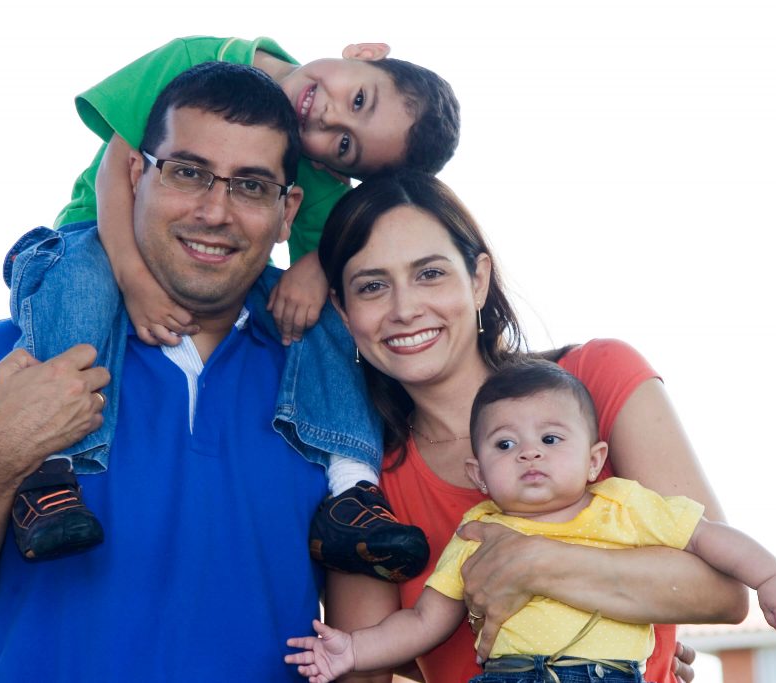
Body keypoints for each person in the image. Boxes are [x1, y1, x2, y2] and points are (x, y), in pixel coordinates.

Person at [0, 62, 373, 681]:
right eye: (187, 172)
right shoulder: (15, 355)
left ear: (288, 210)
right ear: (135, 175)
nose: (215, 211)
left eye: (251, 185)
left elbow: (364, 650)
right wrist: (8, 449)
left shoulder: (328, 381)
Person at [8, 36, 459, 566]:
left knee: (323, 315)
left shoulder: (313, 173)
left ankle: (352, 487)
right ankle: (49, 473)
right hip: (94, 234)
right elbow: (118, 170)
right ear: (365, 52)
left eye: (343, 146)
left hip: (212, 277)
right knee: (80, 278)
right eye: (358, 99)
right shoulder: (195, 58)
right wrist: (134, 280)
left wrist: (316, 267)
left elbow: (352, 246)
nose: (330, 117)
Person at [314, 170, 752, 683]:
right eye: (372, 286)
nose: (405, 309)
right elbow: (363, 667)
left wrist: (535, 564)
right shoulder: (366, 484)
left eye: (430, 273)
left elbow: (725, 589)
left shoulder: (599, 378)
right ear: (344, 311)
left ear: (478, 280)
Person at [286, 360, 776, 683]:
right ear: (479, 474)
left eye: (551, 439)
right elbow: (425, 622)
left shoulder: (623, 505)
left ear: (594, 460)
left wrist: (771, 577)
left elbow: (707, 537)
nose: (529, 453)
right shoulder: (477, 531)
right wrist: (353, 649)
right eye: (505, 444)